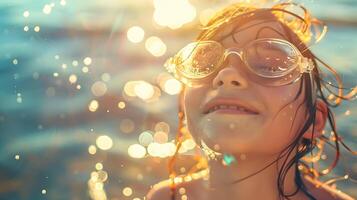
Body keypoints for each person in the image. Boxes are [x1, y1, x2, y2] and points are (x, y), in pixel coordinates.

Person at [147, 2, 357, 200]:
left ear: (312, 122)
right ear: (184, 111)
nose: (228, 74)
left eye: (270, 66)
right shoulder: (165, 197)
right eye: (206, 64)